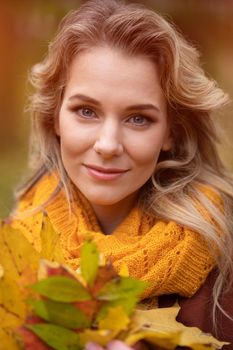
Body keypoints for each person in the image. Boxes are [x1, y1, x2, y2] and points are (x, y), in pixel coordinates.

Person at [10, 0, 233, 347]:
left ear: (170, 133)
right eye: (86, 111)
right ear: (56, 117)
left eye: (138, 118)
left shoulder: (223, 259)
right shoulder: (13, 254)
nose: (108, 144)